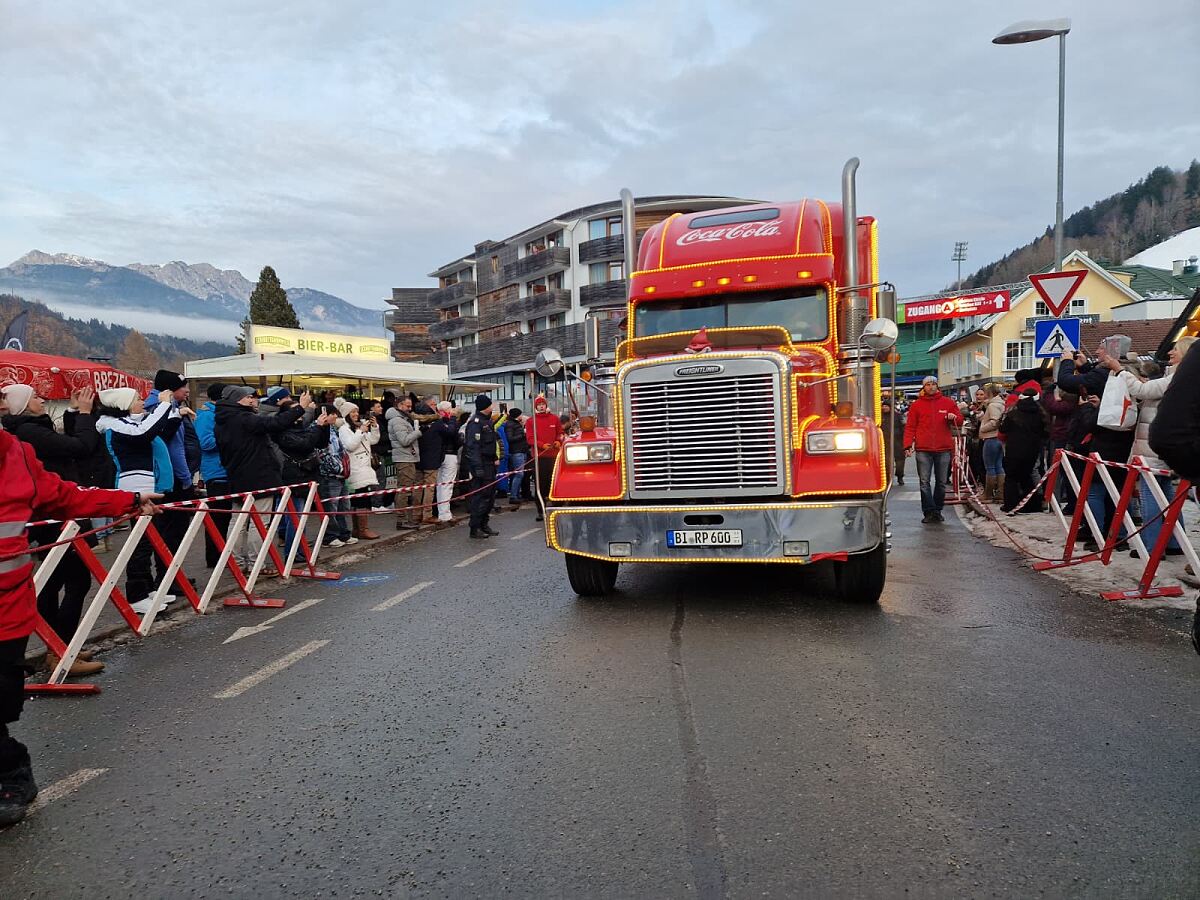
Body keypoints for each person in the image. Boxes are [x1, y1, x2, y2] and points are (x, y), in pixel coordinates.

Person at [0, 425, 158, 827]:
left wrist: (128, 500)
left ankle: (10, 773)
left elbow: (62, 495)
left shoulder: (14, 454)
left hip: (6, 612)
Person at [1, 385, 105, 676]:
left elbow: (69, 444)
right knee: (71, 581)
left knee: (56, 581)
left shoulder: (32, 428)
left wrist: (73, 412)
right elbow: (79, 447)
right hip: (55, 515)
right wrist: (84, 414)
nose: (42, 399)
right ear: (22, 405)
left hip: (57, 512)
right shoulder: (29, 433)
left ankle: (59, 646)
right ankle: (59, 649)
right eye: (35, 396)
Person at [1106, 337, 1196, 557]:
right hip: (1159, 447)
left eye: (1175, 350)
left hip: (1153, 448)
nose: (1170, 354)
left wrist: (1120, 370)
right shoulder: (1177, 378)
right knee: (1166, 496)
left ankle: (1152, 545)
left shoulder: (1177, 378)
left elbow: (1142, 391)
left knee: (1151, 497)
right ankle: (1175, 542)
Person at [96, 387, 182, 614]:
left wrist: (171, 411)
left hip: (144, 486)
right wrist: (163, 404)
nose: (142, 402)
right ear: (124, 405)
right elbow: (144, 432)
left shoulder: (127, 423)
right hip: (132, 487)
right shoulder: (115, 426)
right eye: (137, 399)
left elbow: (150, 426)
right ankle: (136, 594)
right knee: (139, 544)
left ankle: (147, 587)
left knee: (149, 540)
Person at [214, 386, 306, 569]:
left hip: (236, 475)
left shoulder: (222, 421)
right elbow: (273, 424)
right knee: (260, 522)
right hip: (259, 475)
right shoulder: (244, 418)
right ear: (239, 400)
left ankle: (237, 563)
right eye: (250, 397)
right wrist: (299, 408)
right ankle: (257, 563)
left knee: (238, 521)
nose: (255, 400)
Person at [1058, 348, 1136, 548]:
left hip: (1104, 444)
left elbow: (1068, 382)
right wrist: (1085, 366)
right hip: (1124, 443)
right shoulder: (1127, 379)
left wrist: (1066, 362)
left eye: (1102, 349)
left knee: (1095, 490)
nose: (1099, 351)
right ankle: (1117, 535)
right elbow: (1095, 378)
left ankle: (1097, 534)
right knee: (1116, 492)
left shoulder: (1107, 388)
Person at [143, 370, 198, 568]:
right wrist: (184, 478)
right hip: (170, 479)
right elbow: (171, 448)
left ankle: (172, 576)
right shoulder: (159, 410)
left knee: (174, 531)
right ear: (169, 390)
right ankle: (168, 578)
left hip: (175, 476)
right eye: (182, 387)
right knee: (171, 532)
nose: (186, 391)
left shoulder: (173, 408)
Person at [902, 375, 963, 524]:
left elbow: (960, 421)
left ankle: (938, 510)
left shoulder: (948, 403)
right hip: (923, 448)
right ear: (924, 387)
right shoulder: (916, 405)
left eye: (933, 384)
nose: (930, 387)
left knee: (941, 482)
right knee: (924, 482)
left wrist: (953, 416)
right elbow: (910, 427)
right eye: (927, 384)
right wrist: (908, 445)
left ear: (937, 386)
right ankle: (929, 511)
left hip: (943, 448)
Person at [195, 383, 232, 568]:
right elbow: (206, 443)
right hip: (216, 472)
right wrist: (231, 437)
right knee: (218, 518)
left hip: (228, 471)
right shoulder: (207, 416)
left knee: (229, 517)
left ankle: (224, 553)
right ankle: (214, 557)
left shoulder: (220, 415)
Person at [998, 388, 1050, 513]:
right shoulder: (1041, 414)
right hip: (1032, 450)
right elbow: (1045, 433)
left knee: (1011, 478)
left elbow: (1003, 429)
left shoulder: (1013, 414)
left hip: (1014, 450)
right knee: (1027, 478)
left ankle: (1010, 505)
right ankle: (1031, 505)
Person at [338, 401, 382, 540]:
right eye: (352, 412)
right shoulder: (344, 429)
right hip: (355, 468)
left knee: (363, 498)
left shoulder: (357, 427)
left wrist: (374, 427)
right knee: (360, 500)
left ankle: (359, 529)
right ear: (346, 415)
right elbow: (350, 446)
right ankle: (362, 529)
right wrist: (360, 431)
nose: (356, 414)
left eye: (356, 411)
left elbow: (373, 440)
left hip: (364, 468)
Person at [316, 404, 356, 548]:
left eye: (335, 413)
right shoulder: (319, 430)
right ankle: (329, 536)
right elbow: (323, 452)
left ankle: (344, 533)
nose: (335, 416)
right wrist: (338, 468)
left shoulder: (334, 429)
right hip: (329, 474)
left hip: (340, 474)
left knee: (343, 506)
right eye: (332, 413)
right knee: (330, 507)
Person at [464, 395, 500, 539]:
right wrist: (478, 467)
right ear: (485, 406)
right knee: (481, 496)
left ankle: (484, 524)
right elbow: (473, 447)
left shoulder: (487, 421)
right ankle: (475, 527)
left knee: (490, 496)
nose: (492, 407)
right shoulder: (475, 423)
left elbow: (490, 444)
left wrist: (495, 458)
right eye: (490, 404)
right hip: (481, 464)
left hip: (489, 463)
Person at [525, 396, 563, 522]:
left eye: (543, 404)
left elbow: (560, 433)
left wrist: (558, 441)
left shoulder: (554, 418)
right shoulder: (531, 421)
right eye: (539, 404)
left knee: (555, 483)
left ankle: (557, 507)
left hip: (554, 456)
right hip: (539, 458)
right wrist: (542, 445)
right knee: (540, 485)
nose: (541, 406)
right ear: (535, 406)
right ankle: (540, 511)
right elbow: (530, 438)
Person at [386, 395, 421, 530]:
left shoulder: (401, 419)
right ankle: (402, 519)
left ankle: (405, 518)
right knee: (404, 490)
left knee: (405, 489)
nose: (410, 408)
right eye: (408, 406)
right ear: (400, 405)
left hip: (406, 457)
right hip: (404, 458)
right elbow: (404, 440)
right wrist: (417, 433)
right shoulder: (397, 421)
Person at [975, 384, 1006, 503]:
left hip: (991, 437)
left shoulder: (992, 406)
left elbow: (995, 421)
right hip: (999, 439)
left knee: (990, 466)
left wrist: (983, 428)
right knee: (999, 466)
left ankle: (988, 494)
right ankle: (1000, 493)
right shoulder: (1001, 404)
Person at [431, 401, 461, 522]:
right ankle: (445, 514)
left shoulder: (435, 422)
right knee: (447, 485)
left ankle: (442, 512)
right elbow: (453, 434)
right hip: (449, 454)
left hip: (439, 455)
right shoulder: (448, 422)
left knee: (440, 485)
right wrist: (453, 418)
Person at [415, 400, 443, 525]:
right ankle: (427, 514)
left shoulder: (414, 422)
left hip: (417, 459)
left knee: (417, 488)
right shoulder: (436, 423)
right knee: (429, 488)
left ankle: (416, 514)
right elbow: (448, 433)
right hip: (432, 459)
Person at [502, 407, 530, 509]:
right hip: (517, 451)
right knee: (519, 474)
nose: (522, 416)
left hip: (521, 450)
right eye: (520, 414)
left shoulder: (515, 424)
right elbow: (510, 438)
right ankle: (513, 495)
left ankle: (516, 494)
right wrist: (523, 434)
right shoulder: (510, 424)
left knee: (519, 474)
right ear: (517, 415)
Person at [879, 398, 905, 486]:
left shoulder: (897, 416)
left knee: (900, 461)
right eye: (883, 406)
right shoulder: (880, 417)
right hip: (885, 442)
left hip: (897, 441)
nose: (884, 408)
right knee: (886, 462)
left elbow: (903, 428)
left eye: (886, 406)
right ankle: (887, 478)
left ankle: (900, 476)